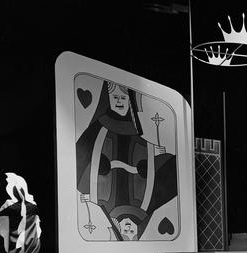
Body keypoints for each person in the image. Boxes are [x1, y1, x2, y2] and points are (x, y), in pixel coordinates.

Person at [76, 80, 177, 241]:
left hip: (135, 186)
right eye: (115, 97)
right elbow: (81, 154)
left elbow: (141, 146)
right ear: (108, 100)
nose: (119, 101)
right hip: (108, 185)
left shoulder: (133, 127)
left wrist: (154, 150)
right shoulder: (99, 126)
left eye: (123, 98)